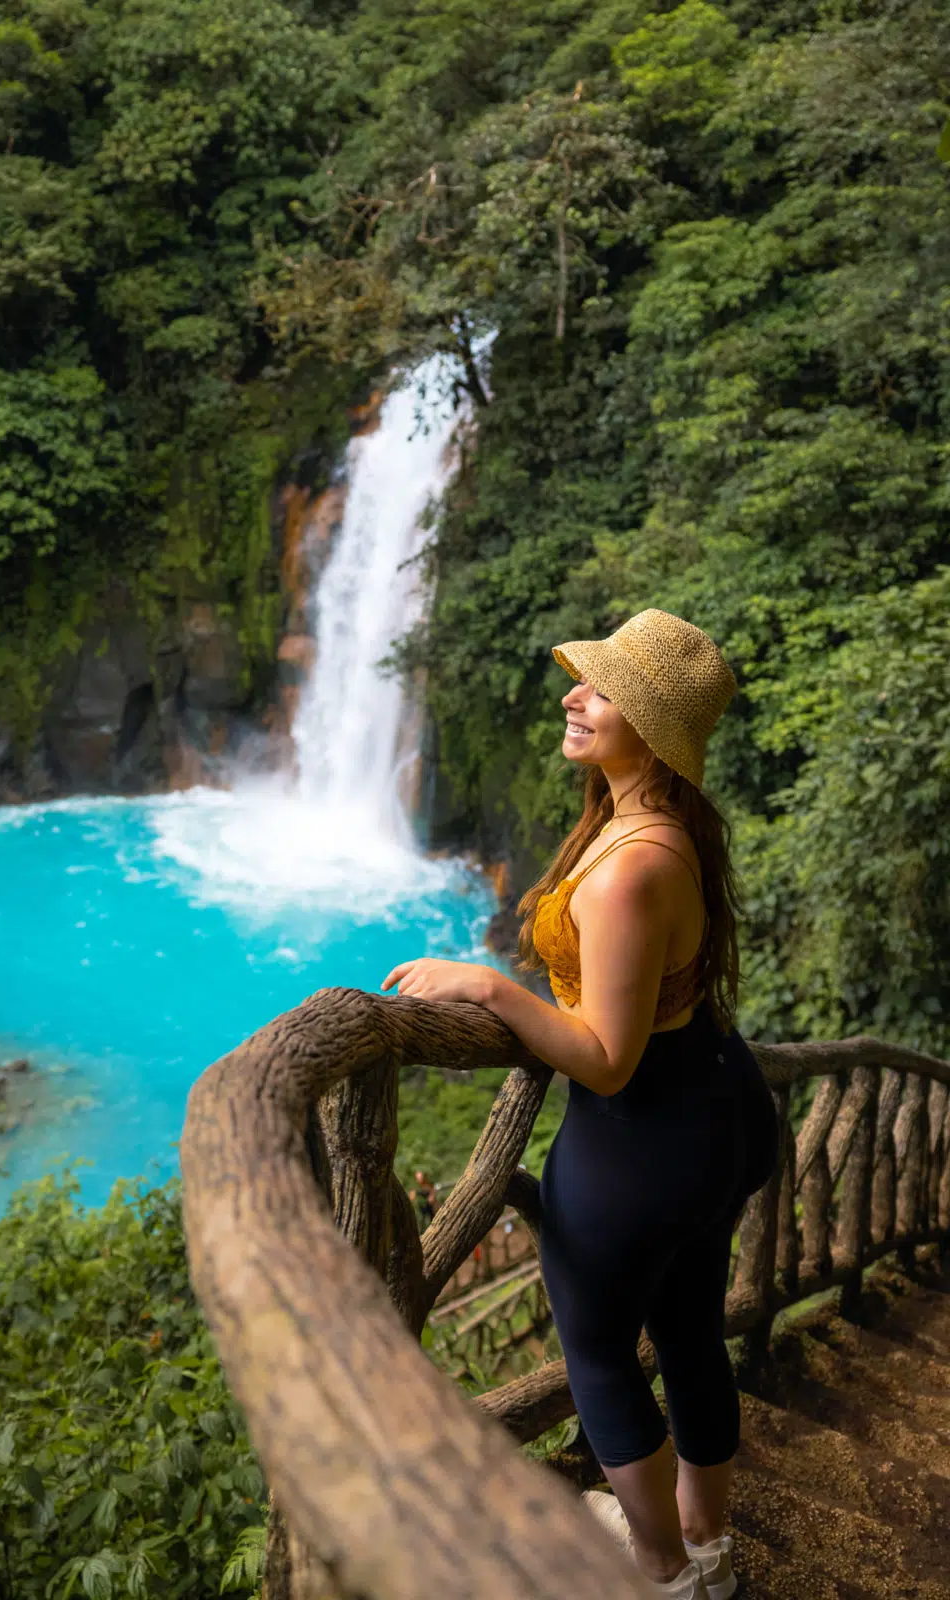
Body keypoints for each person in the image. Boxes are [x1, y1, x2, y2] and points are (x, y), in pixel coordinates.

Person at [381, 608, 779, 1598]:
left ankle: (660, 1570)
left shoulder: (629, 869)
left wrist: (489, 988)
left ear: (648, 727)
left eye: (598, 690)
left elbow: (604, 1057)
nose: (572, 694)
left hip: (641, 1138)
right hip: (716, 1107)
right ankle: (708, 1545)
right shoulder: (658, 823)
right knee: (687, 1325)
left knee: (599, 1353)